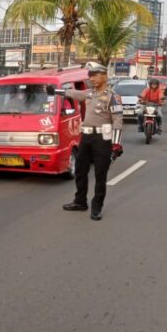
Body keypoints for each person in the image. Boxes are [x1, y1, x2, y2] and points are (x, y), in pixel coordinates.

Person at [60, 65, 123, 221]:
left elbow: (118, 120)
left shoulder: (112, 96)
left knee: (100, 174)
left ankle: (97, 207)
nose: (92, 79)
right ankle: (80, 201)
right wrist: (57, 91)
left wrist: (116, 144)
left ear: (104, 76)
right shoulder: (89, 94)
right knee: (80, 171)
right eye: (90, 76)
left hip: (102, 139)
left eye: (95, 75)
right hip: (86, 138)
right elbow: (75, 94)